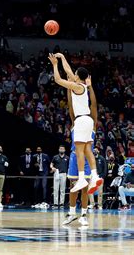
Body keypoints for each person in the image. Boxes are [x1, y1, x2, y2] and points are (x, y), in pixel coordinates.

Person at [49, 53, 102, 194]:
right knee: (86, 150)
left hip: (81, 120)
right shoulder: (81, 85)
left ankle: (81, 178)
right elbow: (68, 71)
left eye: (75, 73)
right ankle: (95, 176)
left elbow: (58, 79)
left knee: (79, 150)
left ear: (77, 76)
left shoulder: (78, 87)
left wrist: (55, 65)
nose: (73, 74)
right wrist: (62, 58)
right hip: (87, 121)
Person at [63, 73, 97, 226]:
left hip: (86, 158)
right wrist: (69, 88)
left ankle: (83, 214)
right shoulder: (75, 121)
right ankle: (71, 213)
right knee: (73, 187)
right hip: (74, 157)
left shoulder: (92, 123)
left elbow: (94, 106)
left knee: (84, 188)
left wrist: (90, 88)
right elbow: (71, 105)